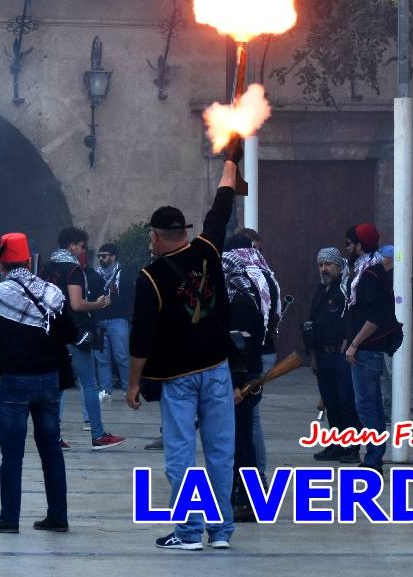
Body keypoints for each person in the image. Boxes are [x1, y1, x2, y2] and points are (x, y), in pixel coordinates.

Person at [127, 153, 240, 551]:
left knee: (180, 453)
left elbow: (141, 335)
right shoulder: (208, 249)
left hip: (177, 376)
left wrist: (133, 383)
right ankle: (222, 529)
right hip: (217, 368)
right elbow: (221, 210)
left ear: (156, 236)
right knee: (221, 451)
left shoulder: (150, 276)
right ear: (183, 231)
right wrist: (230, 163)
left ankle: (190, 531)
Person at [0, 232, 78, 533]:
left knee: (13, 453)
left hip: (15, 382)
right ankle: (58, 516)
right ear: (29, 261)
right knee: (51, 451)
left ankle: (9, 517)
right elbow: (69, 332)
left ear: (2, 265)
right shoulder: (51, 292)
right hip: (49, 381)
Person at [42, 227, 125, 451]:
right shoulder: (73, 269)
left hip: (50, 332)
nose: (82, 251)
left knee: (57, 385)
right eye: (81, 246)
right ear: (72, 245)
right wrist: (99, 304)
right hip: (75, 332)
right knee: (89, 383)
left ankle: (52, 436)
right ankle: (98, 434)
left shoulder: (46, 268)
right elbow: (77, 304)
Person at [343, 222, 401, 472]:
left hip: (366, 350)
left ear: (359, 245)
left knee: (367, 406)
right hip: (364, 348)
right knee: (371, 404)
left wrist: (355, 344)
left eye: (350, 244)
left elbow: (375, 317)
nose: (348, 248)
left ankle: (374, 457)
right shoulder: (368, 272)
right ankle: (373, 455)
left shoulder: (369, 276)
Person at [223, 233, 281, 473]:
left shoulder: (241, 286)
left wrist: (237, 379)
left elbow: (239, 336)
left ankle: (253, 478)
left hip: (245, 363)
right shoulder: (267, 278)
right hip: (261, 353)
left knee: (245, 426)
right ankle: (255, 476)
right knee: (249, 421)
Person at [222, 244, 266, 523]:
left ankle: (246, 500)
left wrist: (237, 385)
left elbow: (240, 348)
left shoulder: (239, 304)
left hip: (240, 384)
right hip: (242, 381)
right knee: (239, 442)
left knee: (241, 445)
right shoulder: (248, 298)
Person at [306, 247, 361, 464]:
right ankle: (337, 443)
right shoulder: (321, 290)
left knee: (347, 402)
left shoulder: (346, 289)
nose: (324, 269)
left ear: (338, 266)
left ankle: (352, 447)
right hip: (323, 354)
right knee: (331, 402)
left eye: (328, 265)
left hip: (341, 354)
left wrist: (349, 342)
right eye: (321, 265)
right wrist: (313, 355)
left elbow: (352, 317)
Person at [94, 242, 133, 396]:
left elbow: (129, 297)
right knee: (101, 358)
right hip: (99, 319)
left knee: (122, 356)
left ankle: (128, 389)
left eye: (104, 256)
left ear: (113, 257)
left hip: (118, 319)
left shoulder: (124, 274)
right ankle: (105, 389)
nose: (101, 259)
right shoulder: (95, 275)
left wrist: (112, 301)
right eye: (99, 256)